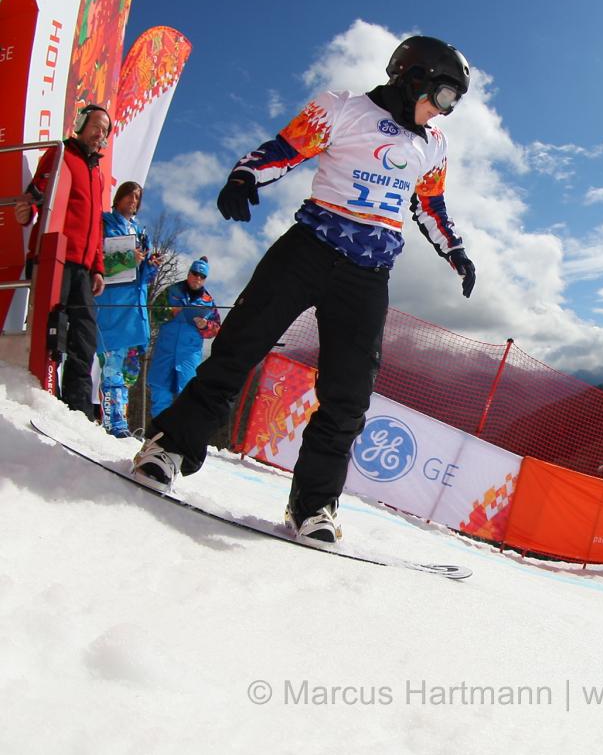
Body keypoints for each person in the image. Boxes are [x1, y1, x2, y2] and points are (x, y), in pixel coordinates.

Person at [132, 35, 476, 546]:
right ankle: (169, 448)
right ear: (414, 78)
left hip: (367, 274)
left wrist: (455, 251)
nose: (443, 112)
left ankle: (312, 504)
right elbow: (285, 150)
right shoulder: (342, 109)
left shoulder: (433, 143)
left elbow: (429, 206)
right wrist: (246, 176)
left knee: (348, 396)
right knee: (237, 348)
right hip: (309, 248)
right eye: (443, 97)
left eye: (452, 105)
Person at [14, 104, 111, 415]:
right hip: (55, 259)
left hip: (84, 268)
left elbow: (96, 223)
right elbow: (38, 191)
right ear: (81, 125)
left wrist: (98, 267)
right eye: (96, 126)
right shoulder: (61, 154)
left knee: (84, 338)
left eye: (105, 130)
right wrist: (28, 208)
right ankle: (40, 398)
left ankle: (77, 410)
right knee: (52, 331)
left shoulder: (97, 172)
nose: (100, 134)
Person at [95, 181, 160, 437]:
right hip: (113, 304)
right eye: (129, 196)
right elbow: (97, 260)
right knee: (111, 365)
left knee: (129, 373)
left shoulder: (141, 231)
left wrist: (150, 265)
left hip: (136, 308)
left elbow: (142, 276)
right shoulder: (104, 223)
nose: (133, 201)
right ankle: (114, 423)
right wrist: (126, 259)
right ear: (118, 197)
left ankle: (120, 417)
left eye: (137, 197)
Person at [146, 257, 221, 418]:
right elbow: (154, 312)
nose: (198, 278)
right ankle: (158, 430)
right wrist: (171, 312)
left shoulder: (208, 301)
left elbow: (216, 329)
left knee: (187, 393)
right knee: (160, 388)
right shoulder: (171, 291)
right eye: (195, 274)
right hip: (165, 349)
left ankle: (179, 435)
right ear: (189, 273)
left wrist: (205, 326)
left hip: (189, 353)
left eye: (202, 276)